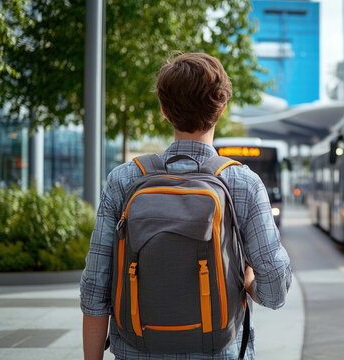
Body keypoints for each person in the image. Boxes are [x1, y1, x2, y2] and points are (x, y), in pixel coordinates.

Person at [80, 53, 292, 359]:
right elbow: (274, 292)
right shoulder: (243, 183)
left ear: (164, 111)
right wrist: (246, 279)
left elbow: (95, 289)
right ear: (222, 109)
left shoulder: (124, 180)